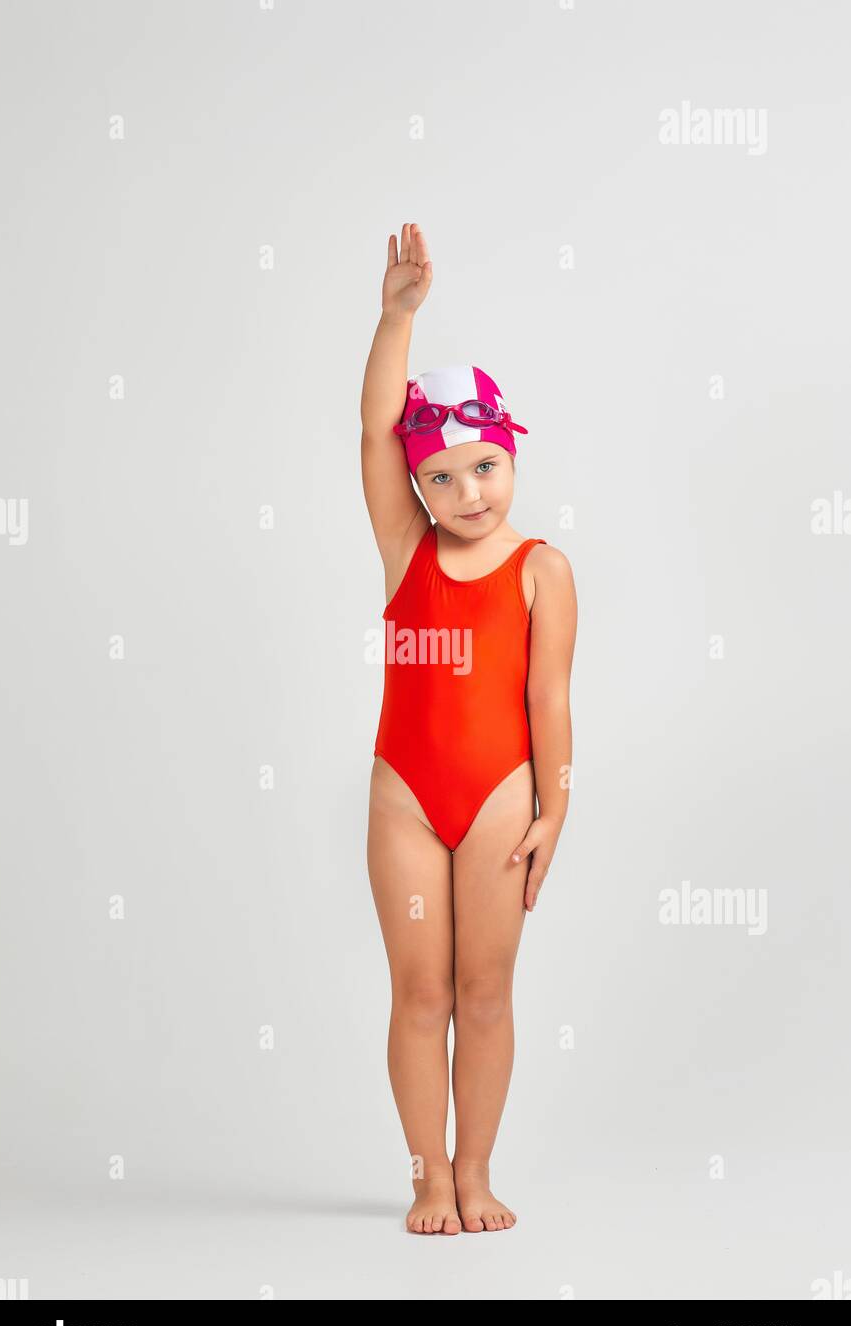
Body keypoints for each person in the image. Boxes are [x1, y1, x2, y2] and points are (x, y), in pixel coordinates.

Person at [361, 223, 578, 1235]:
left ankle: (475, 1168)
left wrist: (554, 810)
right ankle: (424, 1176)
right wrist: (396, 317)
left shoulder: (541, 569)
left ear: (509, 453)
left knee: (483, 994)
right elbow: (371, 438)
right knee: (420, 993)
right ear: (414, 489)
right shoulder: (407, 553)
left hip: (500, 796)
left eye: (483, 466)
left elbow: (547, 702)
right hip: (406, 794)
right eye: (440, 478)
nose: (467, 492)